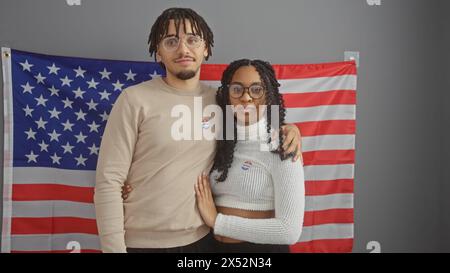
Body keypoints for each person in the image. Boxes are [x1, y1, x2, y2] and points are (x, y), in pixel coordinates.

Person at [95, 7, 302, 253]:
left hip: (204, 242)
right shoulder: (134, 100)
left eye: (192, 39)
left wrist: (291, 129)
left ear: (206, 48)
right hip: (141, 244)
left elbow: (256, 124)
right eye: (171, 41)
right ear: (158, 52)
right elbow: (109, 182)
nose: (183, 49)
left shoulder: (220, 102)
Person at [194, 59, 305, 253]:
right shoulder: (220, 141)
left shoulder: (282, 144)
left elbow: (289, 231)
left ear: (269, 95)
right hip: (213, 249)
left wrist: (217, 221)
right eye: (237, 89)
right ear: (227, 95)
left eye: (256, 89)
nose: (246, 98)